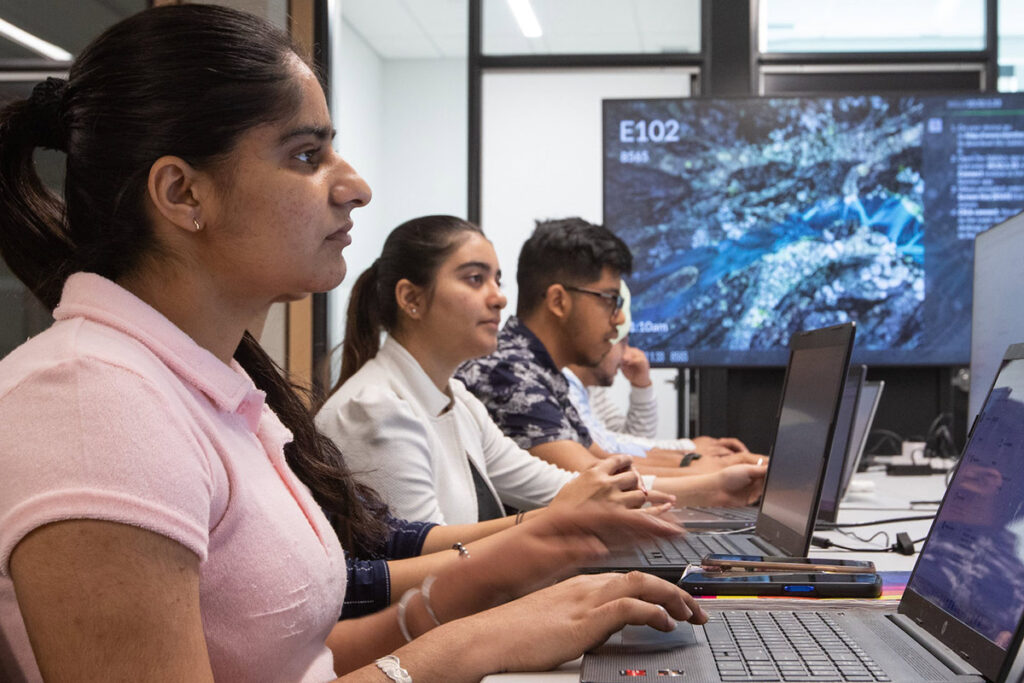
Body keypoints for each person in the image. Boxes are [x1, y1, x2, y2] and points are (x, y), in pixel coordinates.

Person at [0, 7, 708, 682]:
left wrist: (499, 590)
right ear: (184, 194)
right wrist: (470, 639)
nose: (356, 187)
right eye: (307, 155)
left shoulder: (217, 389)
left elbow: (290, 658)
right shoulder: (94, 403)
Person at [317, 215, 663, 528]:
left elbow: (559, 486)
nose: (499, 298)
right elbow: (425, 558)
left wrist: (642, 496)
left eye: (497, 281)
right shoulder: (376, 409)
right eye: (475, 279)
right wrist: (565, 517)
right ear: (411, 298)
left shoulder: (459, 400)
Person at [457, 217, 767, 506]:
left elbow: (603, 458)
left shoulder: (539, 371)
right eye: (609, 299)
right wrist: (714, 483)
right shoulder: (508, 373)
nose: (618, 318)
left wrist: (712, 472)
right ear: (558, 301)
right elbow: (594, 482)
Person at [566, 337, 764, 475]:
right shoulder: (560, 386)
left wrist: (641, 387)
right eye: (622, 341)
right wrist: (691, 460)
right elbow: (603, 461)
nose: (627, 355)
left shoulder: (581, 388)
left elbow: (615, 444)